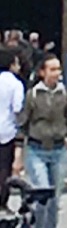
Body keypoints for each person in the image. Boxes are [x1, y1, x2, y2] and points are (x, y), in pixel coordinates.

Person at [20, 52, 67, 228]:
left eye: (58, 69)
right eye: (52, 69)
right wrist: (19, 153)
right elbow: (23, 123)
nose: (56, 73)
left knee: (55, 200)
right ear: (42, 72)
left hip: (59, 149)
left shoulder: (65, 94)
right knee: (41, 195)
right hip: (36, 149)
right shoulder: (33, 95)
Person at [0, 45, 22, 194]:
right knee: (4, 166)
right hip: (7, 129)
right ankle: (2, 199)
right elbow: (17, 108)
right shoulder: (15, 84)